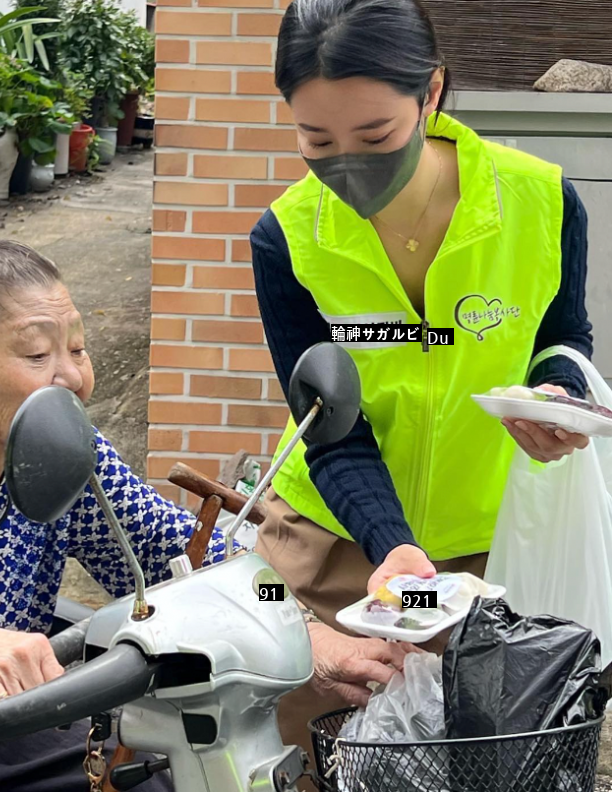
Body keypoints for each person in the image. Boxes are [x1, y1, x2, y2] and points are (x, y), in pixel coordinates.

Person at [0, 237, 413, 791]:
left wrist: (312, 633)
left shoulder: (70, 453)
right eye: (35, 354)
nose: (72, 378)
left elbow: (198, 561)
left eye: (76, 349)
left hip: (2, 732)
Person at [250, 0, 594, 766]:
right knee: (303, 760)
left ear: (430, 93)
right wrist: (391, 542)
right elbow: (330, 427)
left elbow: (561, 336)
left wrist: (558, 390)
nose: (346, 164)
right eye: (316, 140)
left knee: (481, 767)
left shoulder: (539, 199)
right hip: (332, 549)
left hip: (487, 560)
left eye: (375, 136)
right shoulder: (286, 238)